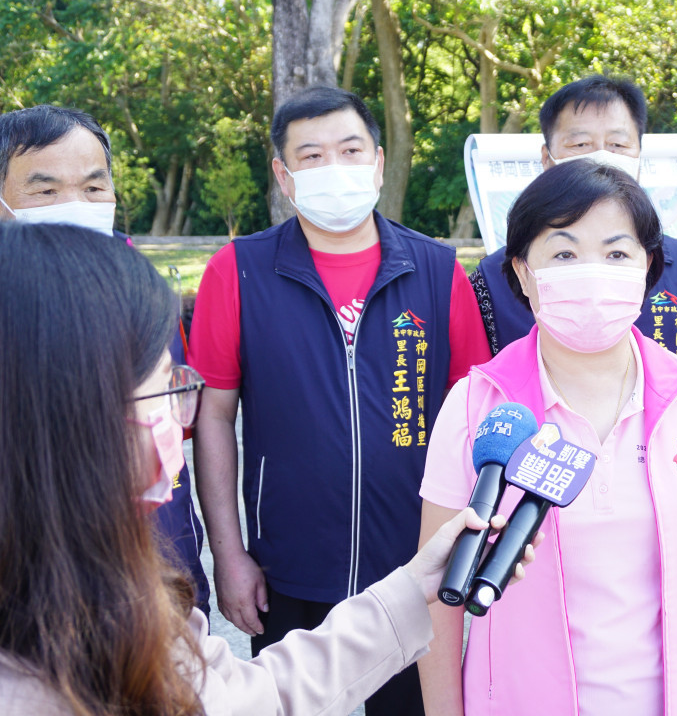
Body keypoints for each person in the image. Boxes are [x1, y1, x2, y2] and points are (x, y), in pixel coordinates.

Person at [0, 222, 537, 716]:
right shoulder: (242, 268)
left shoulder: (116, 592)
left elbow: (246, 698)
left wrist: (417, 583)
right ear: (52, 408)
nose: (179, 417)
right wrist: (230, 553)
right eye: (163, 388)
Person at [418, 159, 677, 716]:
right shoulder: (475, 406)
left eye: (615, 253)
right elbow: (437, 591)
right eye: (563, 253)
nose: (591, 272)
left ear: (647, 266)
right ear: (523, 271)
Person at [189, 86, 491, 715]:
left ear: (378, 162)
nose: (334, 169)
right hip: (287, 572)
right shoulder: (238, 271)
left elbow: (477, 415)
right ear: (284, 174)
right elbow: (214, 415)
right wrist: (231, 554)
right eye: (312, 156)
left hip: (415, 568)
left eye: (350, 151)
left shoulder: (437, 270)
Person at [0, 104, 210, 616]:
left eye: (93, 187)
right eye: (45, 191)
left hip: (164, 575)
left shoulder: (147, 292)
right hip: (29, 602)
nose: (76, 204)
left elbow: (177, 434)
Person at [470, 74, 677, 366]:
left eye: (617, 145)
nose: (601, 158)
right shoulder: (491, 280)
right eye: (580, 144)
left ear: (639, 157)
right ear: (546, 158)